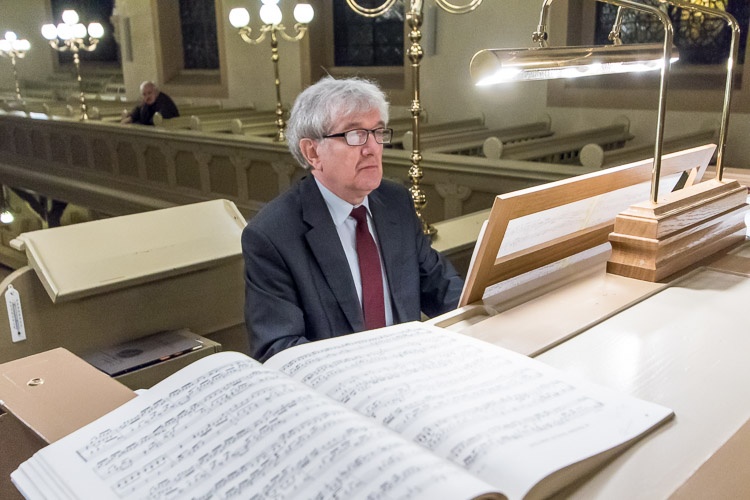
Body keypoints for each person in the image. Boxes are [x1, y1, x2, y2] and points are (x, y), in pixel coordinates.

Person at [241, 76, 464, 361]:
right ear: (312, 152)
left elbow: (440, 285)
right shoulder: (272, 234)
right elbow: (279, 348)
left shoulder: (396, 202)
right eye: (355, 135)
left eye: (378, 132)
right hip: (340, 379)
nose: (372, 148)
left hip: (409, 364)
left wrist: (490, 310)